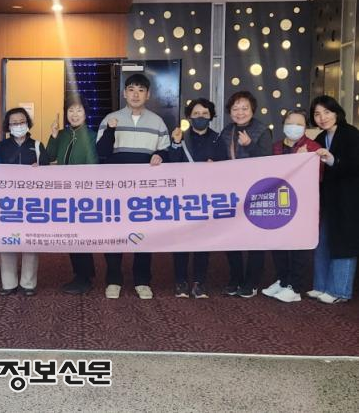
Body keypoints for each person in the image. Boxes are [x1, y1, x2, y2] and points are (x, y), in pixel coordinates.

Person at [96, 73, 170, 299]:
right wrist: (110, 130)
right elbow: (101, 152)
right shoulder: (111, 118)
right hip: (115, 189)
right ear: (124, 93)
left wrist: (160, 155)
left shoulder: (157, 121)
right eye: (131, 90)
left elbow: (166, 150)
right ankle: (113, 280)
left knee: (144, 235)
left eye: (140, 90)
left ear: (148, 95)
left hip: (145, 191)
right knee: (114, 235)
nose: (135, 94)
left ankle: (142, 280)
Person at [260, 109, 321, 303]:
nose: (294, 127)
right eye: (290, 123)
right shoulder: (276, 147)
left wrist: (303, 161)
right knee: (278, 242)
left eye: (299, 124)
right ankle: (283, 280)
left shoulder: (312, 147)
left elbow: (319, 176)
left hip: (302, 204)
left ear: (305, 127)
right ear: (283, 124)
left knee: (298, 245)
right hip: (280, 202)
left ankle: (295, 287)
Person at [169, 98, 227, 299]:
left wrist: (216, 166)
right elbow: (172, 164)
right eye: (196, 114)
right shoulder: (181, 137)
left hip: (206, 198)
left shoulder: (218, 139)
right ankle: (180, 281)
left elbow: (226, 166)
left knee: (202, 242)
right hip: (183, 197)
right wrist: (176, 144)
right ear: (189, 117)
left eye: (204, 114)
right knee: (181, 241)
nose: (200, 117)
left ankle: (199, 282)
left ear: (211, 116)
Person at [0, 107, 49, 296]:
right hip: (8, 203)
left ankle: (28, 283)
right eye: (14, 123)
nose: (18, 125)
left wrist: (41, 169)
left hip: (32, 203)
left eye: (22, 121)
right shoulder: (2, 145)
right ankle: (9, 283)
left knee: (30, 241)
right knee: (8, 240)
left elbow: (49, 174)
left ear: (28, 123)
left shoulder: (37, 145)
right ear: (8, 126)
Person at [219, 91, 272, 298]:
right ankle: (235, 278)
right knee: (231, 237)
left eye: (244, 108)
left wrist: (249, 146)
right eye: (235, 109)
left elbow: (268, 161)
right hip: (231, 192)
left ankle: (251, 281)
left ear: (252, 110)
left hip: (255, 191)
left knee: (254, 238)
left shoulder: (262, 130)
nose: (240, 113)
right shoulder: (227, 131)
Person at [307, 96, 359, 304]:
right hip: (327, 200)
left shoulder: (351, 134)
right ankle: (320, 286)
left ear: (336, 112)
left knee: (344, 243)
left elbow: (355, 165)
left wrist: (333, 160)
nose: (322, 117)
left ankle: (340, 291)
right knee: (323, 242)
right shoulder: (320, 137)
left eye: (327, 112)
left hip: (348, 199)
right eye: (317, 114)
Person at [46, 93, 99, 294]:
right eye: (71, 110)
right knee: (71, 236)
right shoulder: (62, 134)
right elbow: (49, 156)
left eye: (79, 110)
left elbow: (94, 165)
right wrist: (53, 136)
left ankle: (84, 277)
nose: (74, 114)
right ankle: (80, 274)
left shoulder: (92, 136)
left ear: (86, 113)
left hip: (84, 194)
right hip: (64, 193)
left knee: (81, 236)